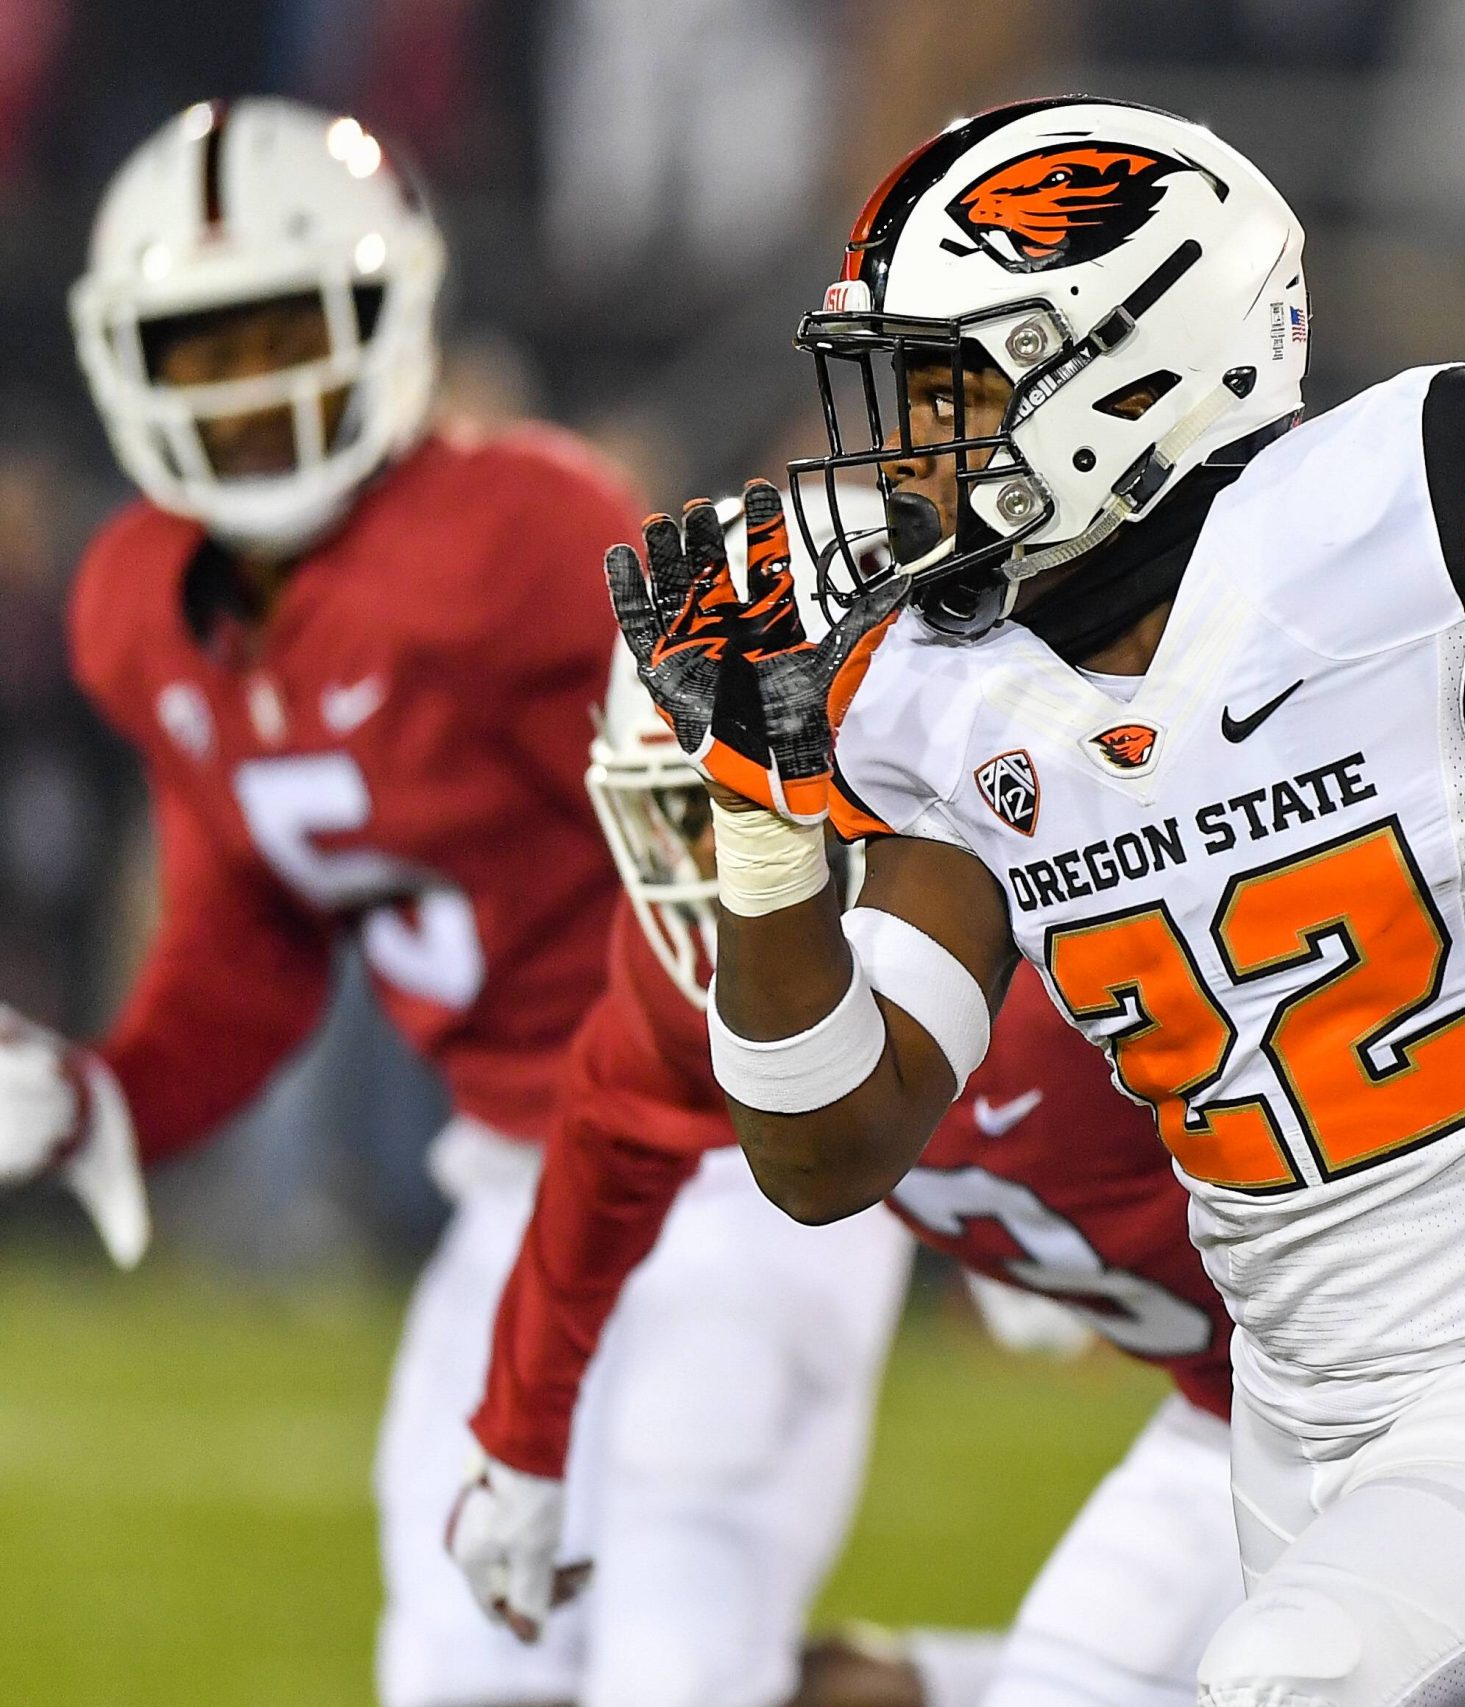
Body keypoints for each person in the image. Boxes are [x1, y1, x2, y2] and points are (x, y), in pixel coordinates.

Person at [608, 96, 1465, 1704]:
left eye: (949, 390)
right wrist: (766, 823)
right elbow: (826, 1151)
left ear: (1128, 371)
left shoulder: (1403, 522)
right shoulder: (940, 694)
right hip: (1297, 1422)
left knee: (1291, 1684)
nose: (901, 449)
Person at [452, 640, 1465, 1707]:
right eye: (688, 822)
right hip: (1246, 1415)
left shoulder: (1053, 957)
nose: (718, 877)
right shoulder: (692, 987)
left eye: (745, 817)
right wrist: (517, 1445)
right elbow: (600, 1167)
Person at [0, 97, 909, 1707]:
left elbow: (803, 807)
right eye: (203, 348)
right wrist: (113, 1093)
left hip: (732, 1162)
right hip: (514, 1182)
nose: (249, 390)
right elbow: (248, 931)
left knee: (680, 1646)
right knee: (458, 1667)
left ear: (391, 312)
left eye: (286, 333)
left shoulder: (520, 536)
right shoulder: (142, 602)